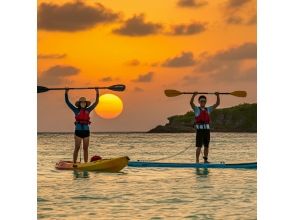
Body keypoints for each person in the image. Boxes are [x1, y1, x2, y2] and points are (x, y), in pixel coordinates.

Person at [65, 88, 99, 165]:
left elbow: (96, 103)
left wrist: (97, 92)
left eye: (84, 102)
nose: (83, 104)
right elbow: (67, 103)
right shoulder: (76, 110)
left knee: (85, 149)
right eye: (81, 102)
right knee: (77, 148)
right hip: (78, 132)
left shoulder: (89, 110)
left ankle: (86, 164)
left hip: (86, 132)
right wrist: (66, 92)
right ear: (79, 104)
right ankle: (74, 163)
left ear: (86, 104)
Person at [190, 92, 220, 163]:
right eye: (201, 101)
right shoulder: (197, 109)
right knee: (199, 146)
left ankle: (205, 160)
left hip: (207, 130)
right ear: (199, 102)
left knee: (206, 146)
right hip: (200, 131)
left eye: (204, 101)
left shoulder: (208, 109)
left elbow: (217, 104)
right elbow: (191, 103)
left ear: (205, 102)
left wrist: (217, 96)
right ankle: (197, 161)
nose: (203, 102)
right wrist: (194, 95)